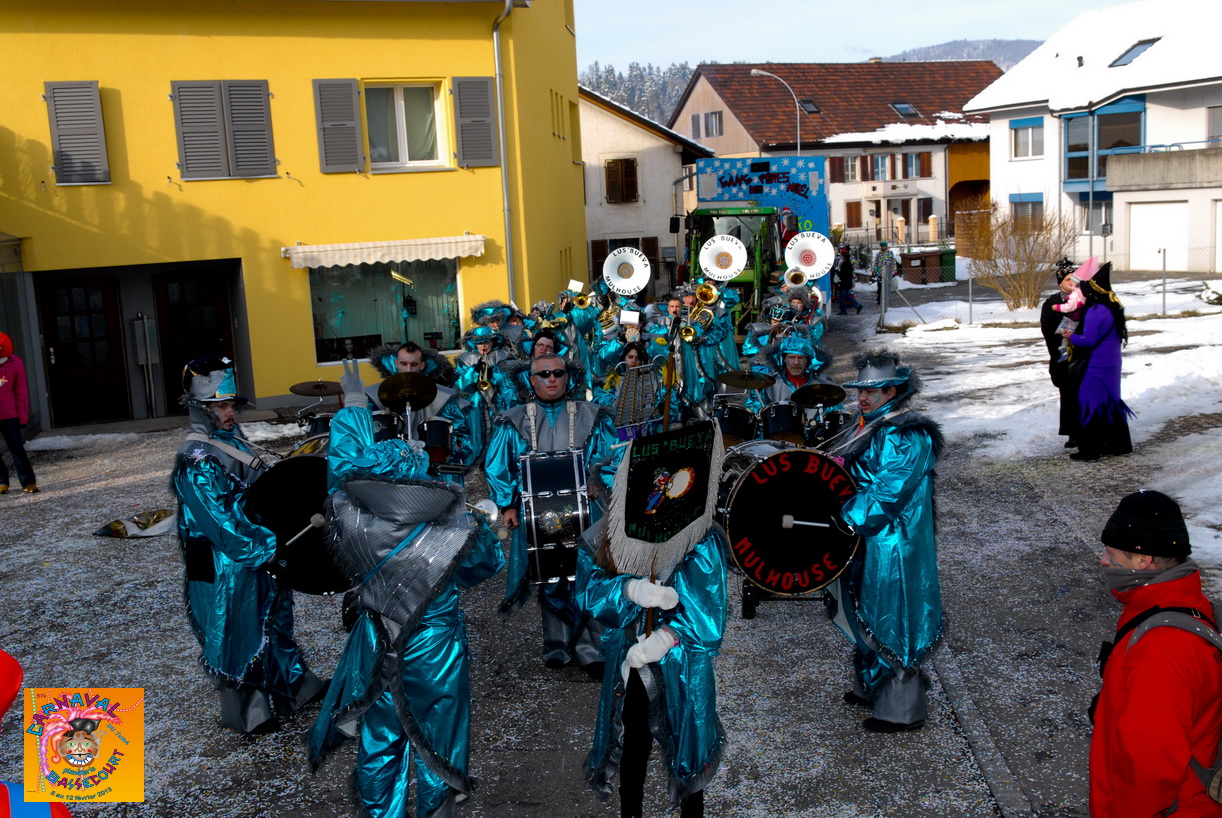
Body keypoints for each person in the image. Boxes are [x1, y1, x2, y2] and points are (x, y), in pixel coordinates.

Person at [308, 359, 504, 818]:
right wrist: (482, 525)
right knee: (437, 742)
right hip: (436, 649)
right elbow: (484, 567)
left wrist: (352, 408)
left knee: (381, 741)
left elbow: (342, 467)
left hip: (377, 640)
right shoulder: (454, 522)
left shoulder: (351, 516)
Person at [575, 421, 727, 818]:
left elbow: (710, 611)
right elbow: (590, 592)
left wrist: (668, 636)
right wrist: (629, 591)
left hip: (682, 660)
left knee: (689, 741)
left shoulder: (700, 536)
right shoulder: (603, 537)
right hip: (629, 654)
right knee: (634, 740)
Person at [172, 357, 324, 733]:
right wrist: (266, 548)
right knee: (237, 633)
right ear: (200, 408)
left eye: (232, 405)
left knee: (275, 620)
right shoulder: (196, 459)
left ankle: (294, 687)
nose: (230, 413)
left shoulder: (230, 441)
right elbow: (218, 522)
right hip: (224, 562)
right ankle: (248, 712)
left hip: (257, 553)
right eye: (221, 407)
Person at [827, 349, 943, 732]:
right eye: (861, 390)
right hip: (867, 538)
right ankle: (870, 686)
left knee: (894, 616)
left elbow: (889, 491)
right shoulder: (867, 424)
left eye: (872, 391)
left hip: (893, 543)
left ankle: (901, 711)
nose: (863, 397)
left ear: (893, 392)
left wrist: (847, 516)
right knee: (862, 610)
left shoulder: (906, 434)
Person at [483, 354, 620, 671]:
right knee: (549, 575)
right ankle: (557, 645)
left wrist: (599, 481)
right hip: (537, 514)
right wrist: (507, 504)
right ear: (532, 380)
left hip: (586, 510)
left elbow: (610, 456)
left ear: (568, 377)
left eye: (558, 373)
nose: (552, 379)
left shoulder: (594, 415)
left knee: (589, 574)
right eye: (543, 374)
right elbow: (498, 467)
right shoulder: (512, 420)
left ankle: (592, 650)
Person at [1090, 490, 1222, 817]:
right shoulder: (1186, 602)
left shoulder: (1160, 648)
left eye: (1110, 553)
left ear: (1142, 560)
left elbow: (1149, 769)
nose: (1104, 561)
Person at [365, 341, 480, 485]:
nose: (408, 370)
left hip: (433, 473)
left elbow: (462, 438)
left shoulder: (444, 397)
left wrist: (447, 448)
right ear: (396, 364)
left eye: (413, 364)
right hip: (391, 472)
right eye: (404, 364)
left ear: (422, 365)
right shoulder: (375, 395)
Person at [1058, 262, 1134, 462]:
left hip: (1096, 366)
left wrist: (1070, 336)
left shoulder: (1094, 310)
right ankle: (1119, 445)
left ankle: (1089, 450)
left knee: (1090, 404)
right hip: (1112, 364)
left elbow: (1088, 340)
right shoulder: (1113, 306)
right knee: (1110, 402)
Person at [1040, 261, 1084, 449]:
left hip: (1082, 354)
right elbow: (1048, 330)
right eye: (1068, 280)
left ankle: (1087, 431)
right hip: (1062, 357)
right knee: (1068, 396)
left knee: (1084, 395)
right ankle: (1073, 433)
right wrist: (1066, 332)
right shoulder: (1052, 303)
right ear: (1060, 283)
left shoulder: (1084, 300)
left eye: (1075, 279)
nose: (1072, 283)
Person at [0, 331, 38, 494]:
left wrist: (22, 417)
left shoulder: (15, 363)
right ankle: (1, 481)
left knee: (17, 449)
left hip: (9, 414)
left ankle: (28, 481)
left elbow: (21, 392)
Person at [835, 246, 863, 315]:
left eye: (842, 256)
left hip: (844, 282)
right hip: (847, 282)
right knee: (846, 295)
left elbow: (843, 274)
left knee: (842, 296)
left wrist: (838, 272)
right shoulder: (848, 263)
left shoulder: (845, 264)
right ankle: (857, 305)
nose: (841, 257)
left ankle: (844, 310)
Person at [871, 241, 897, 305]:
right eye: (882, 246)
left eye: (884, 246)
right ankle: (880, 298)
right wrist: (874, 271)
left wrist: (894, 270)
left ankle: (887, 299)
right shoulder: (878, 254)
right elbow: (876, 263)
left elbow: (893, 262)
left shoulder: (890, 253)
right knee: (880, 286)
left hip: (887, 272)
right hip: (880, 272)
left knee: (886, 286)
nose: (883, 247)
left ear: (886, 246)